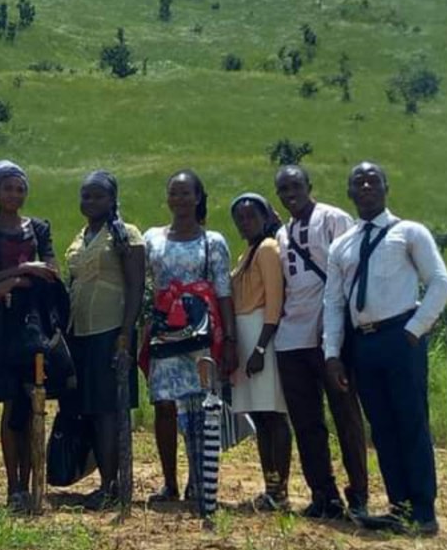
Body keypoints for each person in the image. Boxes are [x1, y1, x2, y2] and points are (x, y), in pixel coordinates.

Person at [324, 162, 447, 536]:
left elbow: (440, 283)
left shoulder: (408, 232)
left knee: (411, 422)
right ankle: (399, 506)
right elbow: (332, 304)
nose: (365, 186)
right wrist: (332, 353)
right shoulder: (342, 245)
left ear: (385, 188)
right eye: (357, 182)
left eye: (372, 180)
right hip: (363, 343)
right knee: (381, 427)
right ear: (349, 192)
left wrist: (414, 330)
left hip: (401, 336)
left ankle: (424, 512)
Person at [273, 164, 368, 519]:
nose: (290, 193)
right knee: (306, 421)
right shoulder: (283, 234)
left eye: (295, 185)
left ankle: (358, 492)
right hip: (292, 337)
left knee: (346, 415)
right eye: (283, 189)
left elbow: (350, 271)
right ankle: (323, 493)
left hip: (331, 334)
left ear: (309, 185)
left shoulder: (333, 219)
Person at [0, 160, 58, 512]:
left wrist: (13, 281)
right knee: (10, 401)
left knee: (32, 398)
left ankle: (34, 483)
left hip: (32, 320)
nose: (15, 194)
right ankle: (13, 486)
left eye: (20, 188)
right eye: (8, 188)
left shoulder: (37, 227)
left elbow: (50, 271)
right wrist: (22, 269)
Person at [143, 170, 234, 506]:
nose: (180, 200)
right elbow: (145, 287)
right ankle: (169, 482)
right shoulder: (153, 238)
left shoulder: (214, 242)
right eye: (174, 193)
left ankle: (200, 481)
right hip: (166, 332)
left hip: (200, 335)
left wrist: (231, 340)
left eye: (186, 193)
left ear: (198, 197)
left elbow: (224, 292)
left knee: (199, 409)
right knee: (163, 405)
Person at [65, 170, 145, 510]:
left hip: (110, 329)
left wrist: (126, 332)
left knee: (108, 411)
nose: (90, 202)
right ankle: (104, 481)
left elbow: (136, 286)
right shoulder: (81, 236)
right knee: (90, 409)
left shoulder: (126, 235)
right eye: (85, 196)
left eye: (97, 196)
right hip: (79, 331)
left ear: (112, 199)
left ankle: (113, 484)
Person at [229, 192, 292, 511]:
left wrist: (259, 348)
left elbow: (275, 302)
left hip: (260, 334)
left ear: (266, 217)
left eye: (251, 216)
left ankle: (280, 491)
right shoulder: (248, 253)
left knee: (273, 415)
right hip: (247, 334)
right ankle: (271, 487)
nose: (245, 222)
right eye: (239, 218)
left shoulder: (267, 249)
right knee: (261, 417)